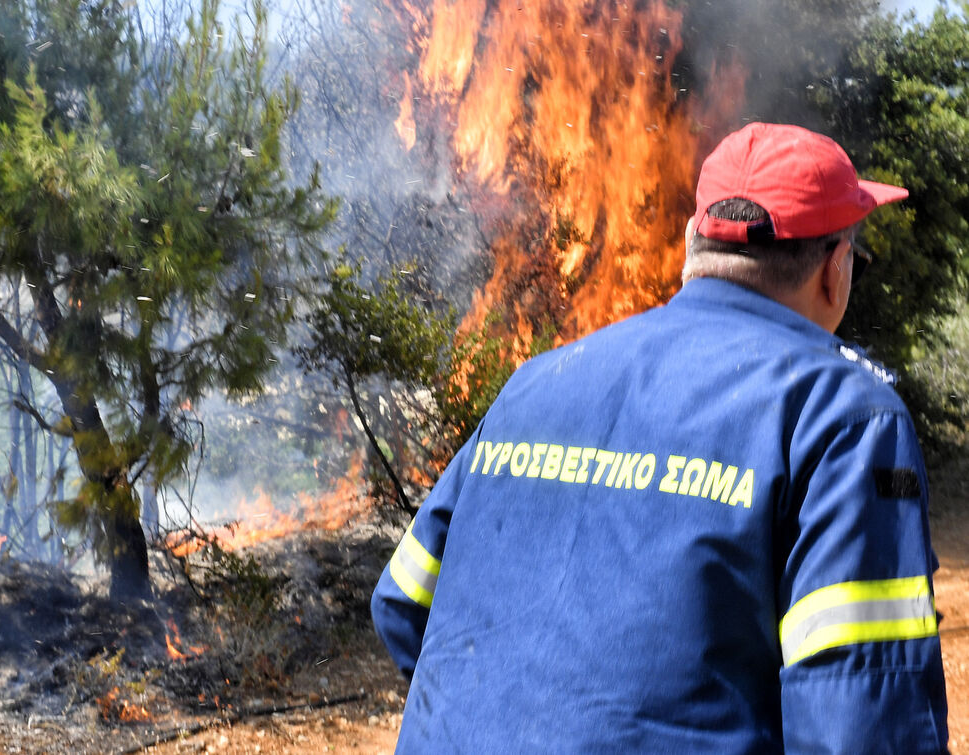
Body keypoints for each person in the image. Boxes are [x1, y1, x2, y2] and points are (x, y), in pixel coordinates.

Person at [371, 122, 949, 753]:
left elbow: (404, 602)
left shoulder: (536, 383)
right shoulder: (843, 415)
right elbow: (864, 723)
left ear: (688, 245)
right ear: (835, 270)